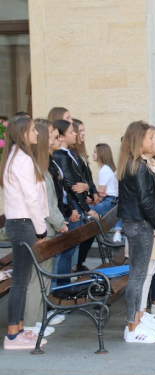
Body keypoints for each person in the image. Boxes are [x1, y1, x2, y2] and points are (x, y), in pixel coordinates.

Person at [117, 121, 155, 344]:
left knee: (138, 274)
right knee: (137, 276)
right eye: (150, 138)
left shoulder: (135, 163)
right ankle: (132, 327)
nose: (154, 141)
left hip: (137, 223)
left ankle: (137, 318)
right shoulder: (136, 165)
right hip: (139, 224)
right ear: (140, 140)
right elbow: (146, 201)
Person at [1, 115, 49, 350]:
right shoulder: (22, 160)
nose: (37, 133)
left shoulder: (15, 157)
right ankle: (12, 334)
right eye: (33, 130)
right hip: (23, 223)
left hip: (19, 223)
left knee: (22, 278)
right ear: (22, 134)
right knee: (20, 280)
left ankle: (19, 329)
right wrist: (41, 229)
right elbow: (31, 198)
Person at [23, 120, 69, 337]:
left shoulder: (42, 165)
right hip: (43, 229)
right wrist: (60, 223)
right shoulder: (36, 167)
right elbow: (44, 204)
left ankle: (39, 319)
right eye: (51, 133)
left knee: (44, 278)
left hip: (48, 228)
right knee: (37, 279)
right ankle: (31, 324)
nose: (55, 136)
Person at [52, 120, 98, 284]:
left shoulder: (70, 154)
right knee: (66, 251)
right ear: (62, 136)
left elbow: (81, 179)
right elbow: (70, 187)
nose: (76, 134)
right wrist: (79, 209)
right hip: (71, 208)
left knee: (70, 250)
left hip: (75, 206)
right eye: (72, 131)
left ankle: (66, 283)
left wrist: (89, 188)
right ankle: (61, 287)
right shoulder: (60, 156)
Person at [90, 143, 123, 242]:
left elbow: (101, 194)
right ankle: (117, 233)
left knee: (84, 211)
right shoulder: (108, 169)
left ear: (101, 154)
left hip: (108, 202)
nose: (92, 154)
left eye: (95, 152)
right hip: (112, 202)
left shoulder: (104, 170)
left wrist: (93, 201)